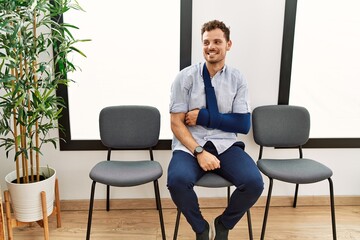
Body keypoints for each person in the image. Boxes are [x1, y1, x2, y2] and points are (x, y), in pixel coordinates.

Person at [167, 20, 264, 240]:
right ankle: (200, 228)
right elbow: (176, 123)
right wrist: (199, 151)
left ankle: (223, 223)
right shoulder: (185, 78)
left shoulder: (238, 79)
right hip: (190, 145)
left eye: (217, 41)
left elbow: (242, 124)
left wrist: (204, 117)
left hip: (225, 144)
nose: (211, 46)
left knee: (254, 183)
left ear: (228, 44)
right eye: (206, 42)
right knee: (176, 182)